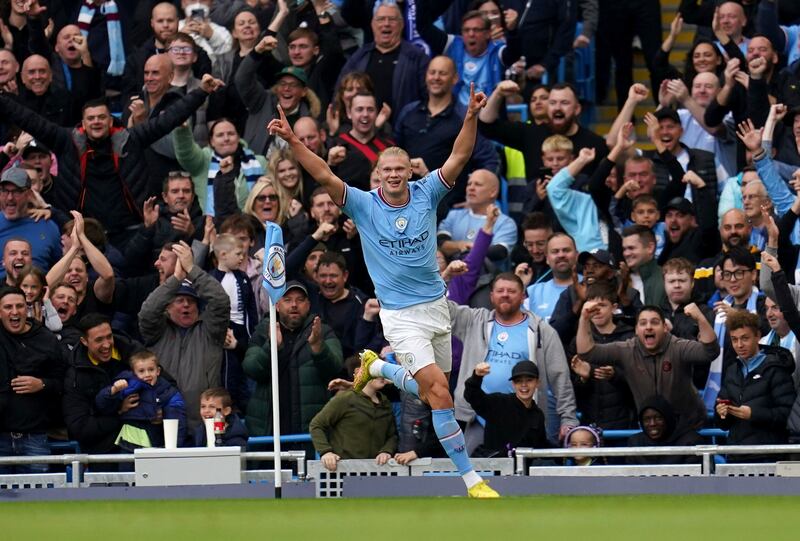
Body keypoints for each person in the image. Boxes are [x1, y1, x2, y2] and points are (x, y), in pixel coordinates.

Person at [267, 84, 500, 498]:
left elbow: (460, 156)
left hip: (436, 307)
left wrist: (469, 118)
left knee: (432, 396)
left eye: (399, 169)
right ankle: (472, 481)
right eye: (385, 170)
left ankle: (379, 370)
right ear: (378, 174)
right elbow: (322, 172)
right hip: (400, 314)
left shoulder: (427, 191)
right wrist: (292, 141)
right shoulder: (362, 203)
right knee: (441, 393)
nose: (393, 175)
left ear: (409, 171)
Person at [0, 73, 225, 249]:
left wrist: (201, 91)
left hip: (130, 232)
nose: (96, 122)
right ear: (83, 123)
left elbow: (168, 120)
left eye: (101, 117)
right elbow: (29, 120)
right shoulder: (66, 141)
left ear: (111, 120)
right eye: (91, 118)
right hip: (83, 232)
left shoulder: (131, 140)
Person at [448, 272, 577, 447]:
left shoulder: (541, 330)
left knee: (521, 472)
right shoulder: (474, 321)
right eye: (500, 290)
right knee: (475, 472)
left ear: (523, 296)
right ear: (491, 296)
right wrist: (446, 276)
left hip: (523, 419)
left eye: (511, 291)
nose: (505, 294)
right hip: (477, 417)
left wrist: (568, 418)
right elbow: (441, 309)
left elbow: (560, 376)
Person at [576, 301, 718, 433]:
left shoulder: (678, 347)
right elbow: (587, 353)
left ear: (665, 328)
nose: (648, 326)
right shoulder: (627, 349)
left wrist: (700, 318)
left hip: (687, 428)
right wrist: (584, 319)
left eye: (654, 322)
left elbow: (710, 352)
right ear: (636, 330)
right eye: (643, 323)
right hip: (651, 429)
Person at [138, 241, 230, 429]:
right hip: (163, 423)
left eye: (191, 301)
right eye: (179, 300)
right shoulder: (158, 331)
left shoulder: (210, 331)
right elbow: (147, 312)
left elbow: (220, 301)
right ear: (168, 307)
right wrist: (176, 279)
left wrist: (191, 269)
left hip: (204, 424)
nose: (186, 305)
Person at [243, 281, 343, 438]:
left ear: (308, 305)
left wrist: (318, 348)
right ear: (276, 305)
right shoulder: (264, 330)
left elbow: (335, 368)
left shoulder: (321, 331)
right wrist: (271, 347)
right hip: (270, 429)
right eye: (287, 300)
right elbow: (251, 369)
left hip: (310, 430)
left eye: (300, 300)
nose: (294, 305)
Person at [0, 286, 66, 473]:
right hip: (0, 436)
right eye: (8, 307)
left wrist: (42, 384)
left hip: (34, 438)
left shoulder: (46, 339)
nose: (14, 312)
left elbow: (63, 382)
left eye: (19, 306)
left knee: (39, 498)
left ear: (27, 308)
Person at [715, 310, 795, 456]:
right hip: (736, 454)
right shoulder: (732, 369)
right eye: (734, 339)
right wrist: (721, 412)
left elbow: (787, 414)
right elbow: (723, 422)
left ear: (757, 336)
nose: (739, 345)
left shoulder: (776, 369)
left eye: (745, 338)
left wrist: (754, 414)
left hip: (769, 455)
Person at [62, 314, 143, 454]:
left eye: (109, 337)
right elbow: (79, 427)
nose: (106, 345)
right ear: (84, 341)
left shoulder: (132, 352)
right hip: (102, 452)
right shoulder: (75, 375)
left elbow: (165, 384)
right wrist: (119, 413)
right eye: (99, 340)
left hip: (141, 446)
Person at [336, 1, 429, 121]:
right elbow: (340, 91)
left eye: (392, 19)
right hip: (363, 131)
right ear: (372, 24)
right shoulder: (359, 56)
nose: (386, 24)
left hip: (404, 132)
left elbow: (429, 98)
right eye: (381, 19)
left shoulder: (417, 57)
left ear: (402, 24)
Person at [95, 350, 187, 450]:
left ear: (158, 371)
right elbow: (102, 405)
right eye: (141, 371)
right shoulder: (127, 386)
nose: (147, 374)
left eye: (151, 369)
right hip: (128, 446)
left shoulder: (168, 392)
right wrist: (113, 390)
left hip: (156, 444)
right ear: (134, 373)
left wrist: (173, 449)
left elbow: (177, 422)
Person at [310, 373, 397, 471]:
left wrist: (386, 451)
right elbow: (316, 425)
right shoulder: (346, 398)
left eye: (381, 372)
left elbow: (392, 435)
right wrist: (326, 452)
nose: (380, 375)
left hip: (377, 470)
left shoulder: (386, 403)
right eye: (375, 372)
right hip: (343, 469)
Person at [208, 233, 256, 410]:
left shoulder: (243, 278)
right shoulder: (211, 279)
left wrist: (250, 338)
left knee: (245, 376)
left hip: (242, 333)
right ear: (222, 255)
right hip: (223, 333)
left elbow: (250, 310)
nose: (242, 257)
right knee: (228, 376)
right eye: (238, 254)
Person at [463, 360, 549, 457]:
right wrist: (476, 377)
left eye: (529, 380)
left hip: (524, 469)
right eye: (518, 381)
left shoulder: (538, 415)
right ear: (513, 384)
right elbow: (472, 396)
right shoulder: (498, 402)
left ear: (537, 383)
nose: (524, 385)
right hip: (495, 468)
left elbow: (541, 446)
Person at [0, 167, 61, 281]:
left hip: (38, 293)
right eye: (4, 191)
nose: (9, 197)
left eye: (16, 191)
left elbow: (61, 269)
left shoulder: (48, 226)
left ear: (29, 194)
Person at [626, 395, 703, 465]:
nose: (652, 424)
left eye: (658, 418)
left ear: (668, 418)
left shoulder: (691, 441)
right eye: (647, 419)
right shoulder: (635, 442)